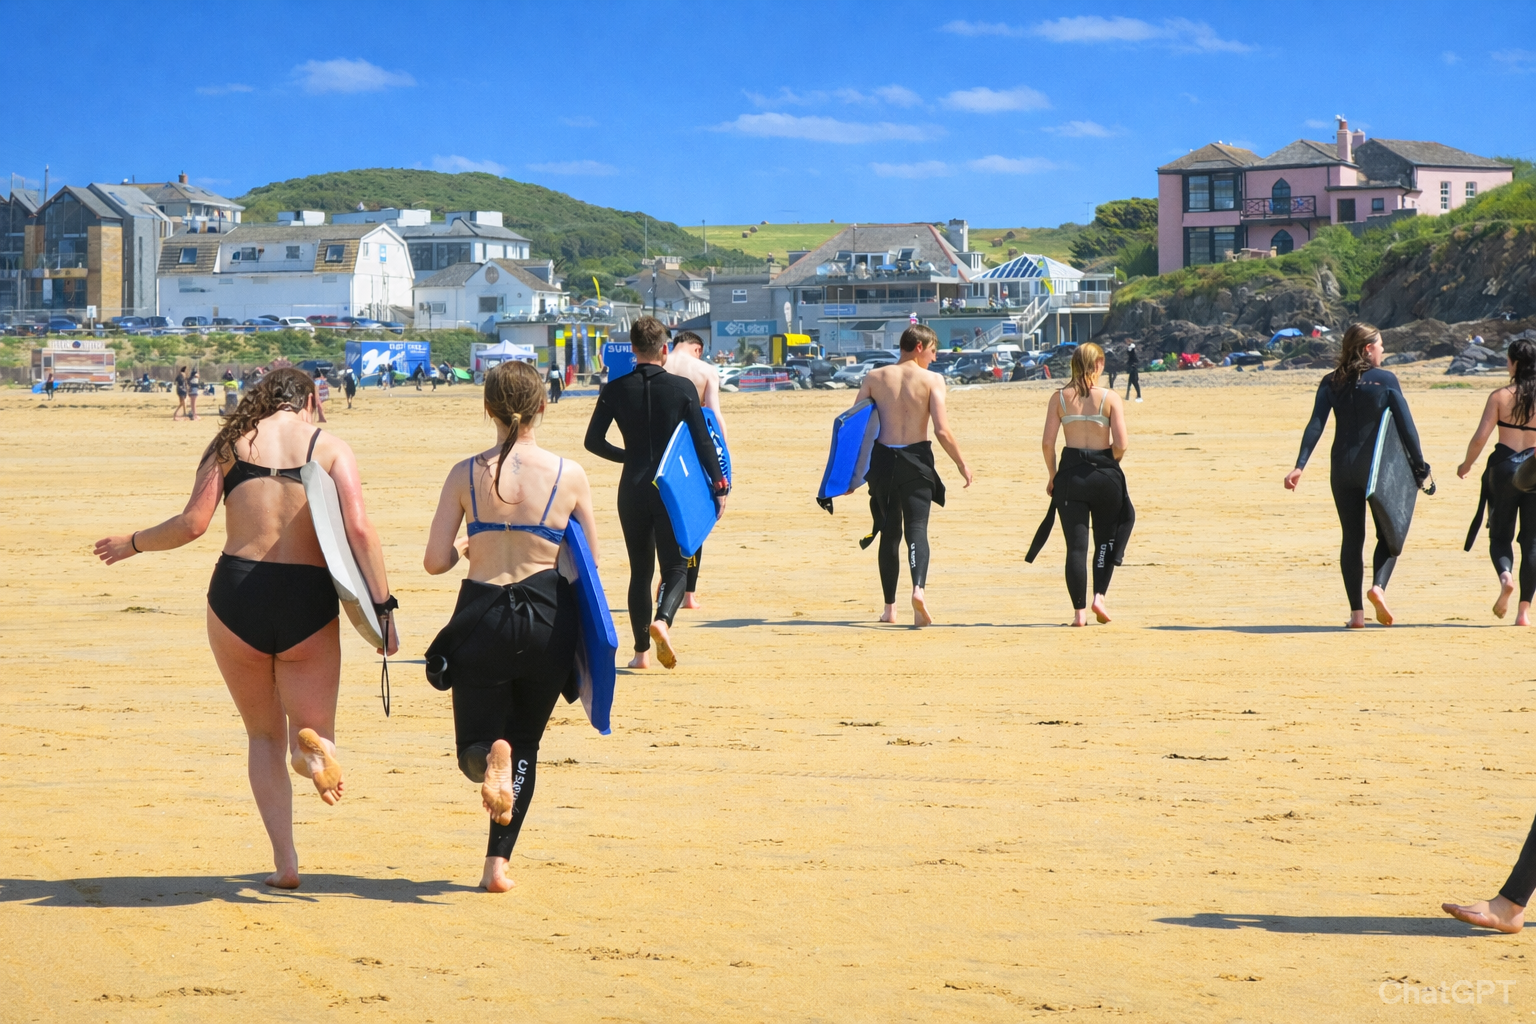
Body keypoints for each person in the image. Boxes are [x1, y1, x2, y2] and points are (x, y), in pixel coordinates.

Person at [93, 368, 397, 888]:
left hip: (237, 595)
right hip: (307, 597)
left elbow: (193, 524)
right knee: (315, 731)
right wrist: (383, 607)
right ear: (307, 399)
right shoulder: (329, 448)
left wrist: (134, 542)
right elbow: (360, 530)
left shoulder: (230, 444)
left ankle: (286, 863)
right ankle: (312, 753)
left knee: (261, 735)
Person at [423, 359, 599, 892]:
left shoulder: (464, 473)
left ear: (487, 408)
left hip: (482, 614)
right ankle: (496, 866)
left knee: (474, 748)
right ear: (544, 405)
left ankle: (488, 758)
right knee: (527, 742)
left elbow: (434, 562)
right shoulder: (569, 473)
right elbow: (588, 563)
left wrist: (465, 547)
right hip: (548, 618)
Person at [583, 316, 726, 669]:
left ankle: (640, 654)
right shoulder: (682, 388)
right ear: (664, 348)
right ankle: (663, 619)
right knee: (676, 565)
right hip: (670, 488)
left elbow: (592, 442)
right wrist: (719, 484)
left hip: (631, 487)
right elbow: (703, 441)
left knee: (640, 571)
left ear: (632, 349)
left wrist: (627, 457)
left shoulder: (614, 389)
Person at [1284, 323, 1432, 628]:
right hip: (1375, 469)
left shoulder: (1331, 382)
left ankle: (1356, 616)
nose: (1383, 351)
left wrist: (1300, 464)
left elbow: (1316, 425)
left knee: (1352, 537)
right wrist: (1420, 467)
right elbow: (1406, 427)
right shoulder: (1386, 380)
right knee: (1390, 534)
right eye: (1380, 346)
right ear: (1367, 349)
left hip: (1341, 468)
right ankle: (1378, 587)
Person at [853, 323, 973, 627]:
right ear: (919, 347)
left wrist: (851, 475)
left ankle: (890, 609)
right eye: (932, 351)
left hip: (882, 463)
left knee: (889, 533)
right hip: (917, 461)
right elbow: (942, 430)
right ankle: (918, 589)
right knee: (917, 528)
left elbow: (855, 427)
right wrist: (961, 463)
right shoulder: (932, 380)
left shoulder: (874, 378)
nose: (934, 358)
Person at [1034, 342, 1133, 626]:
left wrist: (1053, 474)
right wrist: (1107, 462)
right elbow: (1122, 444)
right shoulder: (1110, 398)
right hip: (1104, 475)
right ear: (1098, 364)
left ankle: (1079, 615)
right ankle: (1099, 596)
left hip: (1071, 476)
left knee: (1076, 547)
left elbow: (1047, 443)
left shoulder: (1059, 398)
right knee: (1105, 539)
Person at [1458, 338, 1536, 624]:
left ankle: (1506, 578)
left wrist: (1466, 465)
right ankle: (1524, 612)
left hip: (1503, 467)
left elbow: (1481, 437)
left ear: (1514, 363)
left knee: (1500, 536)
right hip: (1534, 468)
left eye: (1507, 360)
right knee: (1532, 542)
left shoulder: (1500, 396)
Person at [666, 331, 726, 610]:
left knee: (662, 521)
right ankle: (689, 595)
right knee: (693, 517)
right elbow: (713, 417)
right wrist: (723, 460)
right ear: (698, 349)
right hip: (691, 451)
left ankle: (666, 580)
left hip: (660, 452)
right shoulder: (705, 371)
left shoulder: (658, 365)